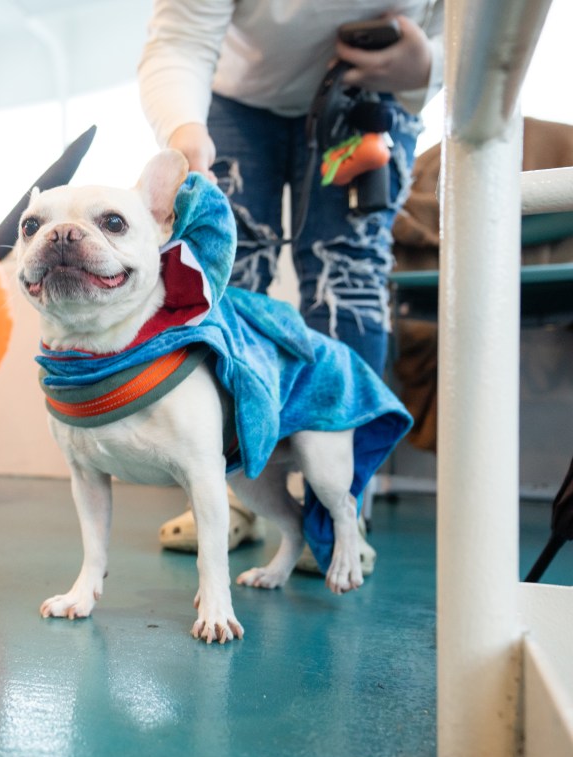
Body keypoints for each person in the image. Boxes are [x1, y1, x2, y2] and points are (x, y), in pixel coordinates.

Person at [136, 0, 444, 562]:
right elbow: (180, 37)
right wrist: (185, 134)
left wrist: (431, 66)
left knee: (344, 276)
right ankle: (228, 484)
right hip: (236, 97)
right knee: (220, 277)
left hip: (374, 93)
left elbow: (492, 45)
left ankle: (339, 507)